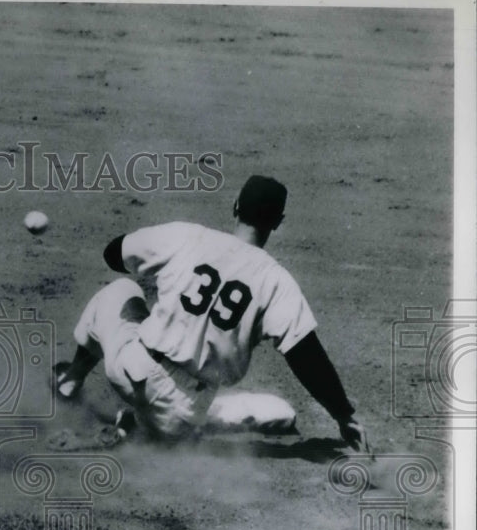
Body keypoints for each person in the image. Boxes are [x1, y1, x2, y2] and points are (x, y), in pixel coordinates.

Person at [54, 175, 369, 451]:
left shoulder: (190, 236)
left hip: (129, 371)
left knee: (122, 291)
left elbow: (114, 254)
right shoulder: (276, 281)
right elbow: (306, 355)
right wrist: (344, 415)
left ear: (235, 205)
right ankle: (146, 428)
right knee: (283, 413)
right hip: (182, 412)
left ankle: (71, 380)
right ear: (277, 222)